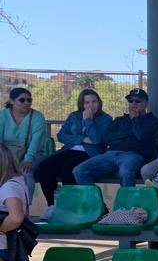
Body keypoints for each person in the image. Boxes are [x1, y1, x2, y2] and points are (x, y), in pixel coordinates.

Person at [35, 89, 112, 219]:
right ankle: (52, 205)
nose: (91, 105)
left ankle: (70, 207)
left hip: (91, 153)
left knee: (68, 170)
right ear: (82, 104)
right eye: (87, 102)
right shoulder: (74, 116)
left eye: (94, 101)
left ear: (99, 103)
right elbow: (61, 135)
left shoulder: (106, 119)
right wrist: (82, 139)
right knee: (45, 166)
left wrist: (88, 120)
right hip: (70, 149)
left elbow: (97, 139)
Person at [73, 89, 158, 188]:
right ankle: (95, 198)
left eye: (138, 101)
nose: (134, 103)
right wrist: (131, 134)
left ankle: (127, 199)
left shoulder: (153, 121)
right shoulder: (120, 120)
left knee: (125, 172)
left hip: (133, 155)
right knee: (79, 170)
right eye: (131, 101)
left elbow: (141, 136)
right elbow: (108, 138)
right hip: (110, 154)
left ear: (146, 103)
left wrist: (135, 119)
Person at [1, 87, 48, 201]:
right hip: (6, 154)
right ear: (12, 101)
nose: (26, 103)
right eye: (22, 100)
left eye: (29, 100)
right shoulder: (2, 115)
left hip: (33, 154)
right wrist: (5, 159)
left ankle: (26, 206)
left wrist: (29, 159)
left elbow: (36, 141)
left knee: (25, 172)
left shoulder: (37, 117)